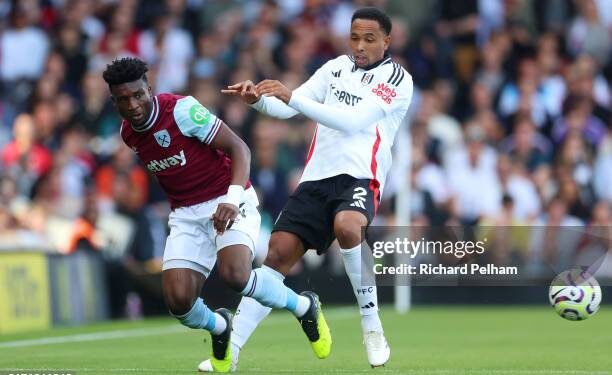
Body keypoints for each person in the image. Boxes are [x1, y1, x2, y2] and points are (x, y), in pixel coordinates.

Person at [201, 7, 413, 371]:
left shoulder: (396, 78)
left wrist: (290, 97)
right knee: (277, 256)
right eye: (354, 37)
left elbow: (352, 122)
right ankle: (231, 349)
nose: (360, 46)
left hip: (360, 175)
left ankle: (371, 324)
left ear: (387, 41)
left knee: (349, 226)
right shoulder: (334, 68)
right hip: (316, 178)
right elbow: (287, 109)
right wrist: (260, 100)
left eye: (369, 39)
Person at [102, 57, 331, 373]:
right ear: (114, 101)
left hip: (229, 196)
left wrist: (231, 199)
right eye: (124, 99)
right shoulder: (129, 133)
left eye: (138, 94)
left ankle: (304, 307)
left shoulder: (181, 111)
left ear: (148, 88)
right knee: (178, 302)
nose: (134, 104)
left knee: (235, 274)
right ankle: (220, 325)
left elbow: (240, 149)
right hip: (186, 214)